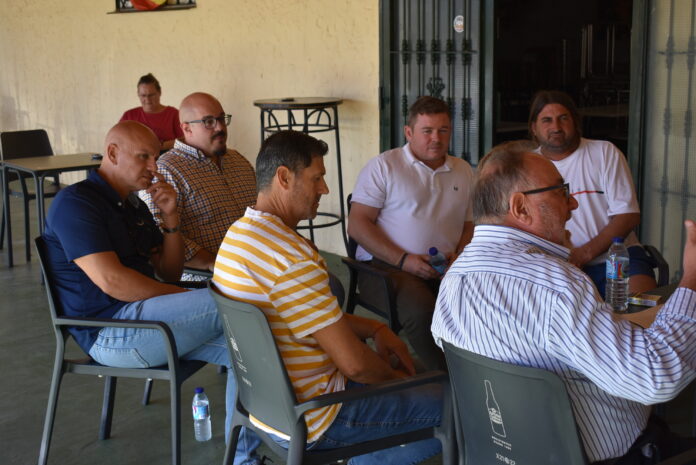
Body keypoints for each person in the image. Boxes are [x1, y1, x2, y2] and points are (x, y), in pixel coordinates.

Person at [432, 144, 696, 464]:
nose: (572, 203)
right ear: (521, 207)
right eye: (560, 191)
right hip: (617, 455)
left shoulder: (454, 277)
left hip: (502, 452)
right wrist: (691, 281)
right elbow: (655, 378)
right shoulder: (555, 285)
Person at [213, 130, 443, 465]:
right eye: (317, 178)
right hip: (319, 417)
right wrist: (401, 382)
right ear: (284, 178)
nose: (325, 189)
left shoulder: (238, 238)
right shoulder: (291, 259)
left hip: (265, 409)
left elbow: (306, 316)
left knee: (421, 374)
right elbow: (356, 366)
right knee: (456, 403)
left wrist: (375, 329)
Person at [43, 121, 260, 464]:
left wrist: (171, 220)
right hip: (112, 332)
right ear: (112, 153)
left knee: (252, 346)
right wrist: (180, 295)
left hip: (150, 322)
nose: (154, 167)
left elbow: (169, 271)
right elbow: (113, 282)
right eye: (143, 157)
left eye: (156, 157)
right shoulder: (77, 203)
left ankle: (244, 458)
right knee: (240, 303)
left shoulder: (133, 207)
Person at [348, 96, 475, 370]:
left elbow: (469, 225)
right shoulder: (384, 166)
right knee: (420, 309)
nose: (436, 139)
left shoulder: (463, 170)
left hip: (447, 264)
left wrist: (460, 256)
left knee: (479, 298)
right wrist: (404, 260)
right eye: (427, 131)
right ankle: (448, 378)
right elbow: (358, 225)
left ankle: (478, 367)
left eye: (443, 130)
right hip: (386, 267)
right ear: (409, 132)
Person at [528, 90, 657, 296]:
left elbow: (628, 215)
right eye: (547, 120)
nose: (556, 127)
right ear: (534, 128)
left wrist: (583, 254)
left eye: (563, 118)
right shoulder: (527, 166)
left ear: (575, 122)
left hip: (617, 257)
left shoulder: (604, 153)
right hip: (558, 267)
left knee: (640, 312)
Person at [139, 92, 256, 276]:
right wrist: (215, 263)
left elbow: (261, 213)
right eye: (209, 121)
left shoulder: (238, 161)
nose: (220, 127)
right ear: (187, 129)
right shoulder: (166, 171)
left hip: (256, 269)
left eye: (222, 119)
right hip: (206, 280)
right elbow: (158, 234)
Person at [120, 73, 184, 151]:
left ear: (159, 92)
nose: (147, 99)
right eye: (143, 95)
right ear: (138, 94)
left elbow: (184, 140)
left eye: (151, 95)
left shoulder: (173, 114)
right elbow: (118, 139)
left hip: (167, 159)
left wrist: (161, 146)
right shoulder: (129, 116)